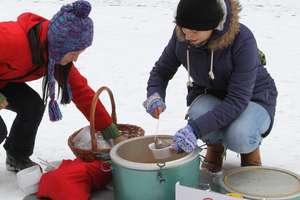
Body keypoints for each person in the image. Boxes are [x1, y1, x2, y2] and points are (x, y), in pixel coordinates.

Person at [143, 0, 277, 173]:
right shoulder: (182, 35)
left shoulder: (242, 39)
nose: (188, 35)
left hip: (253, 98)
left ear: (215, 26)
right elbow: (161, 71)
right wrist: (155, 94)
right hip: (212, 95)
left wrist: (196, 129)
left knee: (240, 134)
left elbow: (237, 100)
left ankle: (249, 151)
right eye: (183, 28)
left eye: (194, 31)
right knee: (197, 112)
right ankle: (215, 148)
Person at [0, 0, 127, 172]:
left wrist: (112, 133)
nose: (75, 59)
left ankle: (17, 155)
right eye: (74, 53)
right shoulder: (12, 40)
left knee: (32, 106)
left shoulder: (55, 56)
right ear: (61, 45)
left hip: (5, 81)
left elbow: (82, 93)